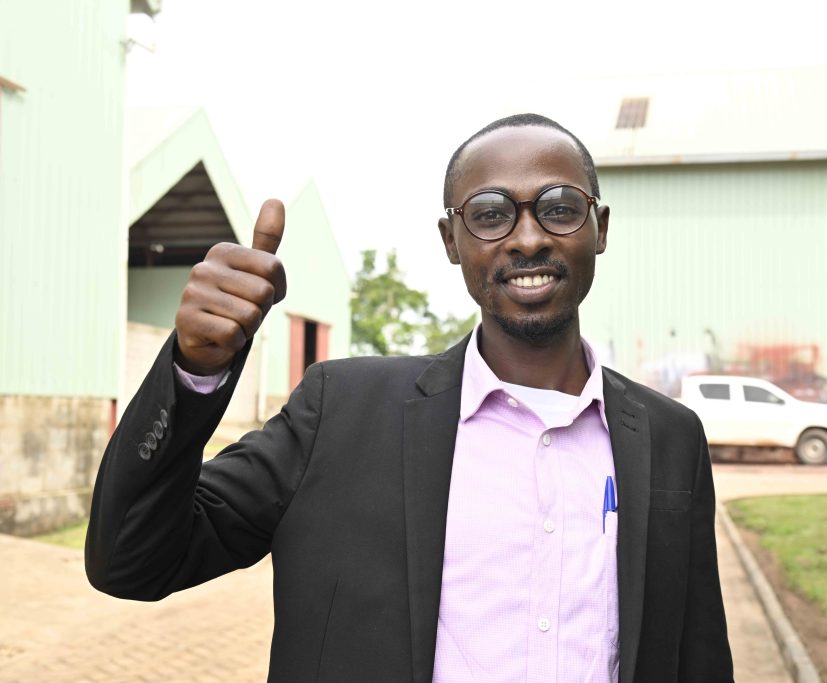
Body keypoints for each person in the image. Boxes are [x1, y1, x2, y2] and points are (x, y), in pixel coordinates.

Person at [85, 114, 733, 681]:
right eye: (489, 213)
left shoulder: (670, 438)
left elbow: (698, 656)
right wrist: (194, 370)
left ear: (600, 227)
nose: (528, 237)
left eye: (559, 207)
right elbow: (132, 560)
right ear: (452, 239)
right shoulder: (340, 414)